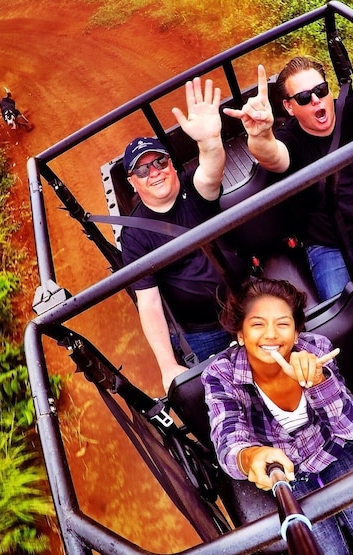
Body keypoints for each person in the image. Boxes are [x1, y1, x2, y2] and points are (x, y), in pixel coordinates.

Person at [203, 278, 353, 555]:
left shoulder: (318, 349)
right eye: (258, 325)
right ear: (239, 333)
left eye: (283, 324)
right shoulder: (221, 374)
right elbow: (228, 437)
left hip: (332, 449)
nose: (272, 335)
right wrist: (252, 457)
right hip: (284, 471)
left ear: (297, 329)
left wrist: (318, 381)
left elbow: (349, 429)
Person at [224, 31, 353, 300]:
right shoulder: (290, 139)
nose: (315, 100)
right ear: (288, 107)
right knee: (340, 318)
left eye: (320, 91)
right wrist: (261, 134)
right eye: (303, 98)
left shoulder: (349, 111)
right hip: (331, 248)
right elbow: (272, 156)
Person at [120, 77, 233, 393]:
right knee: (223, 394)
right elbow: (150, 303)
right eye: (143, 170)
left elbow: (211, 172)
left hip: (244, 300)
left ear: (171, 164)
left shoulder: (192, 188)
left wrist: (210, 142)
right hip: (202, 329)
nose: (154, 172)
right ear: (133, 182)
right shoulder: (135, 235)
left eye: (159, 162)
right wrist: (167, 365)